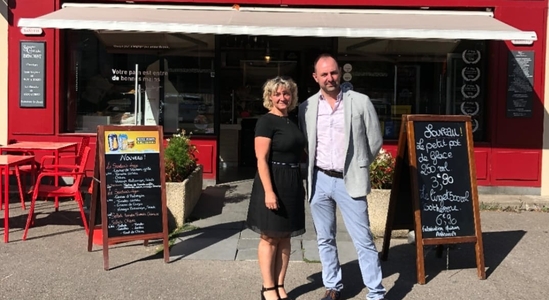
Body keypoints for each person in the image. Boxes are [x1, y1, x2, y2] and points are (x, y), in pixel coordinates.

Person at [298, 54, 387, 300]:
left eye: (333, 72)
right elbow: (307, 142)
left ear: (341, 73)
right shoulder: (306, 107)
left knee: (363, 240)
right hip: (320, 179)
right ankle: (333, 286)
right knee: (325, 238)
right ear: (316, 77)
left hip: (350, 180)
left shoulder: (360, 102)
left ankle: (376, 292)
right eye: (324, 74)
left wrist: (361, 164)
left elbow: (375, 139)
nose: (330, 78)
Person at [246, 76, 306, 300]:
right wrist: (269, 191)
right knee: (270, 237)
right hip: (272, 181)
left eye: (286, 93)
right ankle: (268, 287)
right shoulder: (266, 121)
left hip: (292, 181)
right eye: (277, 94)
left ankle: (280, 284)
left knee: (285, 237)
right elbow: (261, 159)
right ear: (269, 97)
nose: (282, 97)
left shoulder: (292, 120)